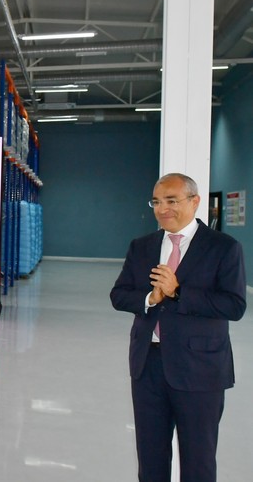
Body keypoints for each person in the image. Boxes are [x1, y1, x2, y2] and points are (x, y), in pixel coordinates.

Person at [110, 173, 246, 482]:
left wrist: (178, 292)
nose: (162, 209)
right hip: (147, 365)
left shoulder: (224, 248)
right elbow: (119, 295)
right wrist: (150, 298)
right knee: (150, 457)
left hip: (200, 369)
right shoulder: (141, 246)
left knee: (198, 460)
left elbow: (234, 305)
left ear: (195, 201)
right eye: (156, 202)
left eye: (172, 201)